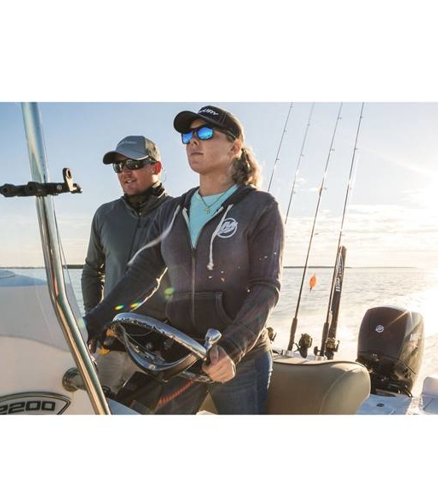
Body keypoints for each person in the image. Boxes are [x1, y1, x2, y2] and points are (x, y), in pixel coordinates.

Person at [85, 106, 285, 414]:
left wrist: (231, 348)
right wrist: (93, 322)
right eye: (188, 135)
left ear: (234, 147)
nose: (193, 141)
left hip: (240, 362)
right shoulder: (172, 211)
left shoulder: (260, 207)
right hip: (180, 354)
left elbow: (266, 287)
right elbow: (141, 277)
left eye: (205, 133)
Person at [81, 135, 172, 395]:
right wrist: (94, 320)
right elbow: (91, 271)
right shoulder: (104, 214)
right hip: (110, 342)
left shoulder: (177, 212)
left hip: (158, 349)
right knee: (98, 408)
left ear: (156, 167)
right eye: (119, 166)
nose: (125, 172)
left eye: (133, 164)